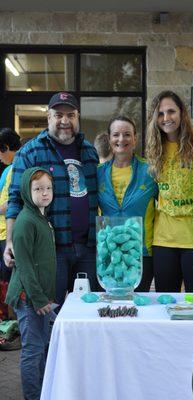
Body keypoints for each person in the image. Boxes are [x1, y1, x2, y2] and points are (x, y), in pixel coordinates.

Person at [4, 92, 99, 306]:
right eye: (58, 115)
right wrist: (10, 241)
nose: (64, 120)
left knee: (87, 313)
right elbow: (15, 201)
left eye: (70, 115)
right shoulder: (31, 152)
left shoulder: (89, 151)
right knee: (49, 313)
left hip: (88, 250)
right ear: (48, 117)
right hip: (49, 252)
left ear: (78, 117)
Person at [146, 90, 193, 293]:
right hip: (163, 240)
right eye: (160, 114)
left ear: (181, 113)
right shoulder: (154, 149)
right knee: (166, 304)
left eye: (171, 111)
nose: (166, 118)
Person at [5, 167, 56, 400]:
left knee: (42, 346)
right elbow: (25, 267)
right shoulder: (26, 222)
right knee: (32, 351)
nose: (44, 193)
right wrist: (38, 300)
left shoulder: (41, 217)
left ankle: (45, 392)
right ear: (27, 190)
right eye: (38, 189)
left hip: (40, 298)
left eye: (48, 188)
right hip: (29, 299)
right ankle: (33, 396)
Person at [97, 116, 158, 291]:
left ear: (135, 139)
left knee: (137, 307)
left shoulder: (150, 171)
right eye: (116, 135)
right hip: (108, 253)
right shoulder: (98, 173)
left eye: (127, 134)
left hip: (141, 252)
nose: (121, 139)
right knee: (111, 309)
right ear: (109, 139)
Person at [0, 128, 21, 283]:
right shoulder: (11, 168)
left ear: (6, 147)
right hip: (5, 234)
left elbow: (15, 201)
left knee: (8, 287)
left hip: (8, 234)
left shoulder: (17, 167)